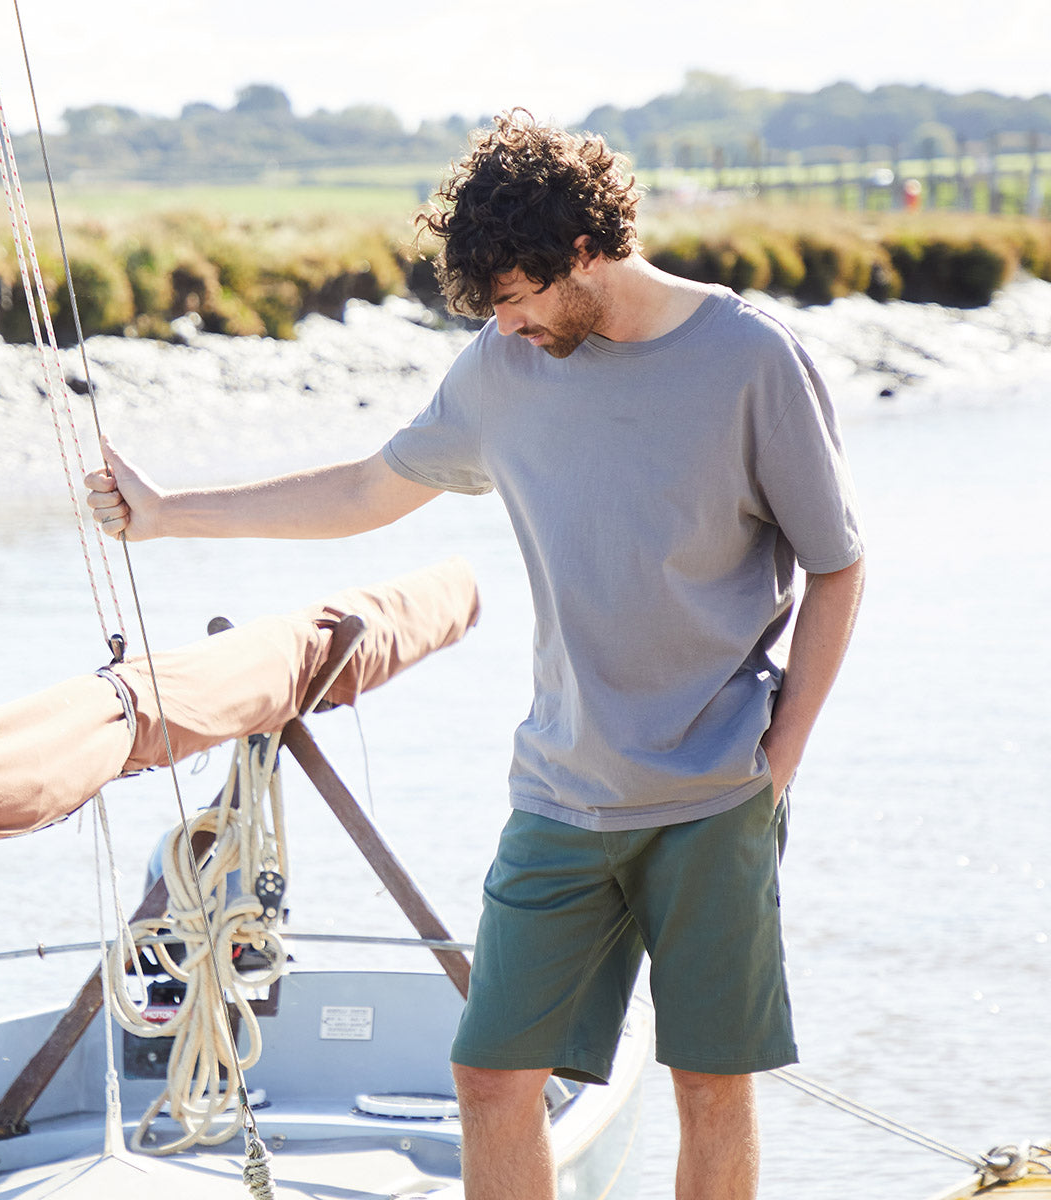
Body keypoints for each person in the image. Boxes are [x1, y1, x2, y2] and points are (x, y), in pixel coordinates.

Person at [85, 110, 865, 1200]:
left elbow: (837, 567)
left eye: (513, 295)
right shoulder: (504, 370)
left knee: (709, 1083)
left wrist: (778, 766)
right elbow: (366, 489)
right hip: (561, 791)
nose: (500, 325)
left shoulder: (750, 361)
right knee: (491, 1073)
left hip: (714, 793)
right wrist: (168, 514)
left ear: (583, 253)